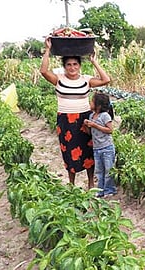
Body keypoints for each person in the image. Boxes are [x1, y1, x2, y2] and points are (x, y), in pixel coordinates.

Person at [40, 37, 111, 189]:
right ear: (64, 66)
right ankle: (71, 184)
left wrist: (94, 61)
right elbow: (43, 71)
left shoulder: (86, 80)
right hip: (65, 120)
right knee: (68, 151)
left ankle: (91, 183)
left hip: (84, 120)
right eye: (69, 65)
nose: (72, 67)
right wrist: (48, 49)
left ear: (79, 66)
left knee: (88, 151)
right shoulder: (58, 79)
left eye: (75, 64)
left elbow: (106, 80)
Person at [84, 92, 117, 197]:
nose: (90, 103)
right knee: (99, 171)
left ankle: (109, 190)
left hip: (107, 147)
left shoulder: (105, 116)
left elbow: (110, 130)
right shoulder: (91, 116)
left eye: (92, 101)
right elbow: (90, 133)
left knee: (108, 170)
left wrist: (95, 125)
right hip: (97, 148)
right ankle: (100, 190)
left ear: (98, 105)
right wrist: (87, 126)